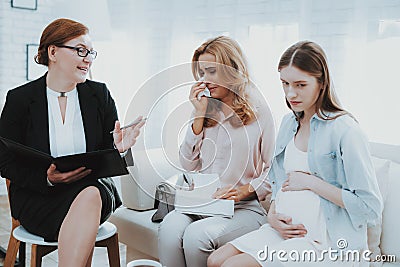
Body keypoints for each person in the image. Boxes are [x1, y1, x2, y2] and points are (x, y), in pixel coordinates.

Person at [207, 41, 383, 267]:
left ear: (321, 83)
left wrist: (312, 182)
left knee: (233, 266)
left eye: (300, 84)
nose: (291, 93)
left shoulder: (345, 130)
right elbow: (278, 184)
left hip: (324, 241)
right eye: (285, 83)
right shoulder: (289, 123)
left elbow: (369, 208)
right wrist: (272, 217)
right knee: (215, 260)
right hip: (284, 230)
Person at [0, 18, 144, 267]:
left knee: (89, 194)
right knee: (84, 208)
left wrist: (120, 150)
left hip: (93, 193)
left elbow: (110, 163)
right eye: (80, 50)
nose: (88, 58)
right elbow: (4, 161)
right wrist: (46, 178)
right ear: (53, 52)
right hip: (39, 198)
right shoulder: (20, 99)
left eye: (90, 53)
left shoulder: (99, 95)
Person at [158, 36, 275, 267]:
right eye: (201, 73)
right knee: (170, 227)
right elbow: (187, 165)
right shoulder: (204, 108)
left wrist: (245, 190)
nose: (205, 80)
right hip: (203, 203)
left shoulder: (259, 112)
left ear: (231, 69)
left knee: (196, 237)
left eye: (211, 71)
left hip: (243, 209)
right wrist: (199, 116)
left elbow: (275, 168)